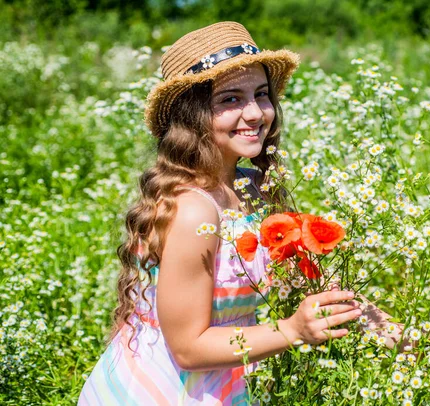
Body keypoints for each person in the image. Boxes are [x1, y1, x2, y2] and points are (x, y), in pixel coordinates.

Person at [78, 22, 362, 405]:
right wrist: (292, 330)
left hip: (224, 384)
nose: (255, 113)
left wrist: (395, 329)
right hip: (163, 392)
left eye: (261, 94)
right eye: (229, 99)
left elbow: (305, 282)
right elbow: (189, 349)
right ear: (192, 116)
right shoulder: (193, 210)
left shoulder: (254, 187)